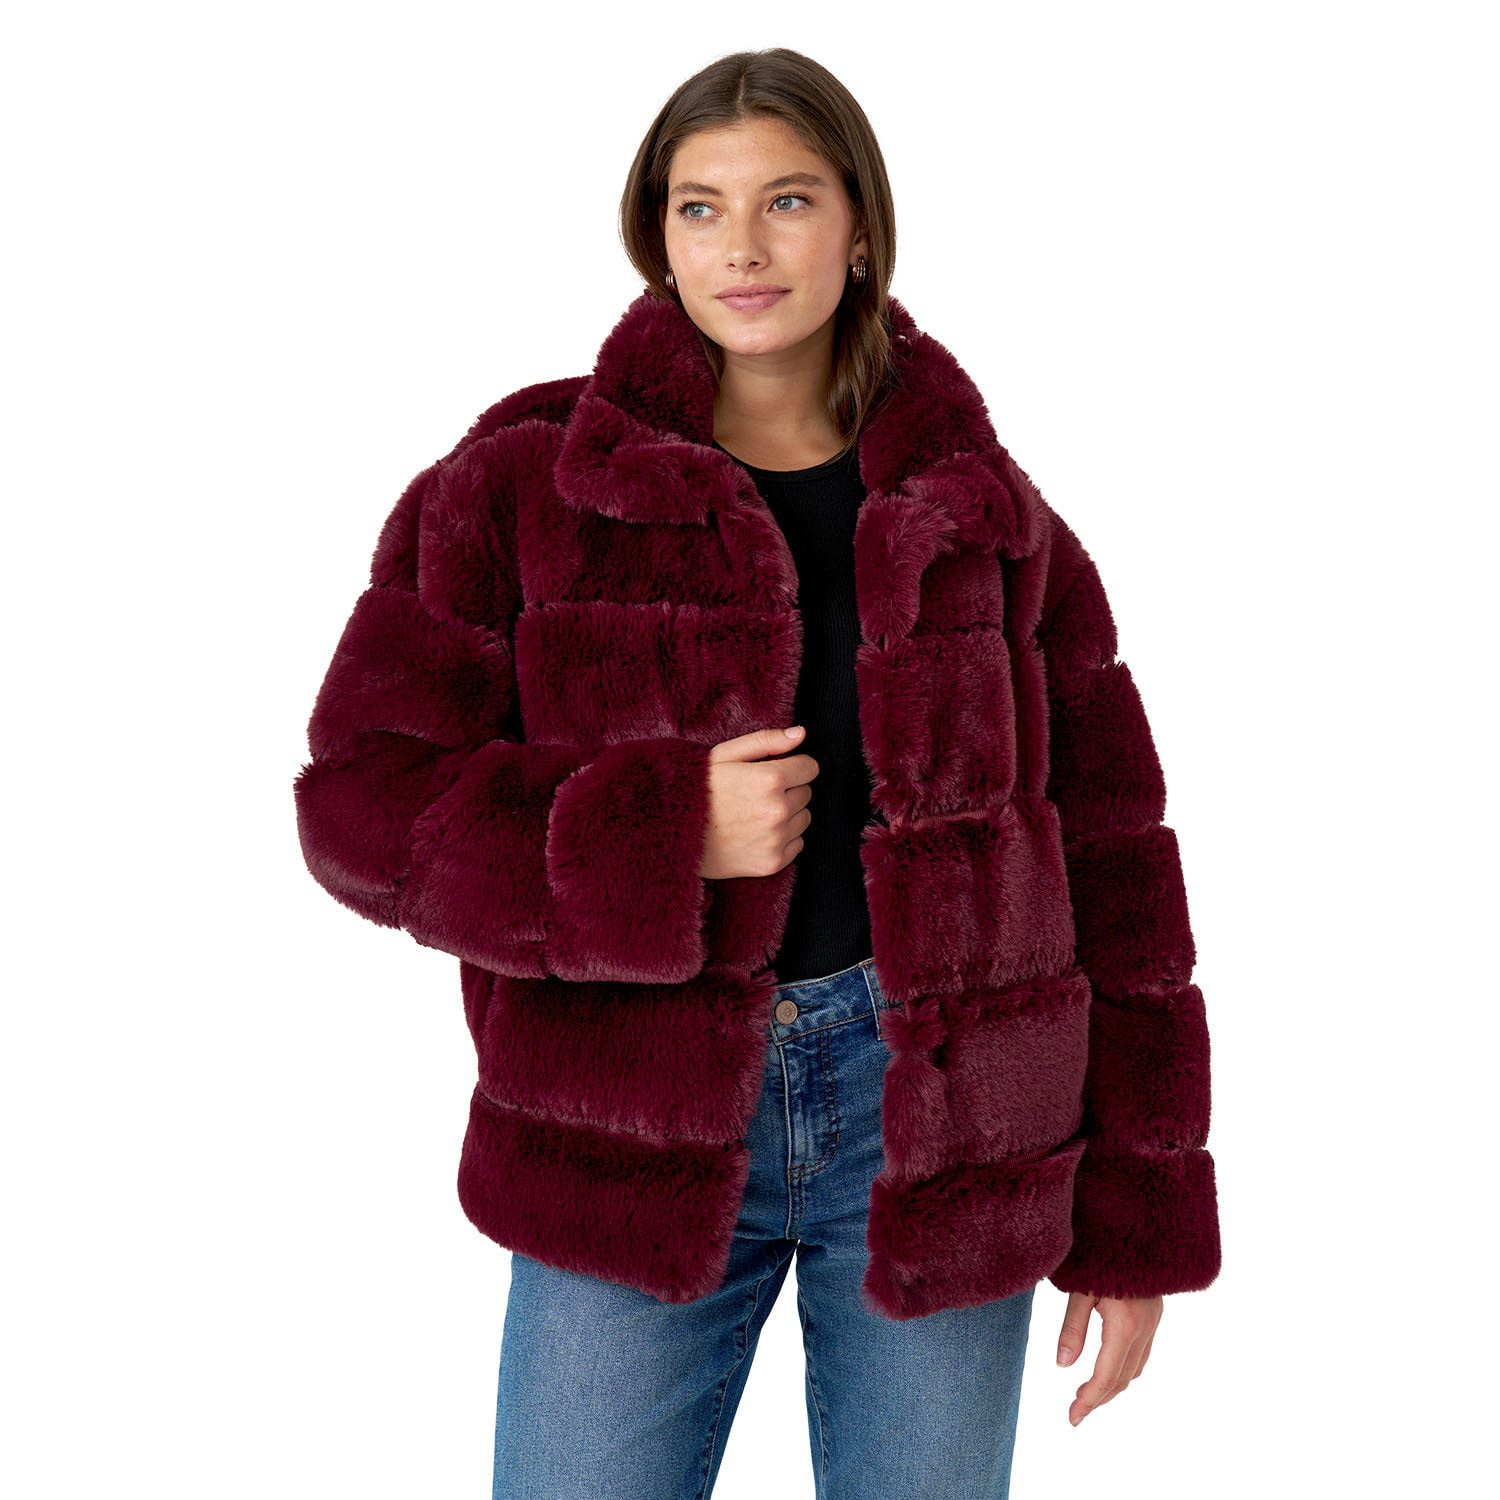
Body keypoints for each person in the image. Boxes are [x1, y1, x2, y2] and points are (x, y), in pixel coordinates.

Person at [293, 46, 1221, 1500]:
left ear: (859, 227)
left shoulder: (981, 513)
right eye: (699, 206)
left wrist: (1136, 1216)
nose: (742, 246)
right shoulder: (525, 481)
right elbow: (360, 799)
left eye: (786, 200)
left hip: (941, 1131)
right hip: (625, 1124)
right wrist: (660, 836)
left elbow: (1117, 863)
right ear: (655, 236)